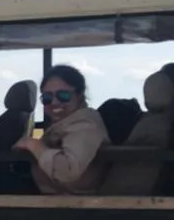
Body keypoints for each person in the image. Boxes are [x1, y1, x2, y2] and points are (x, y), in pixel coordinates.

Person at [13, 64, 110, 195]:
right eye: (47, 98)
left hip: (76, 201)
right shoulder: (65, 125)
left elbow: (67, 171)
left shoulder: (85, 125)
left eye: (63, 95)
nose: (54, 102)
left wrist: (34, 145)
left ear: (79, 95)